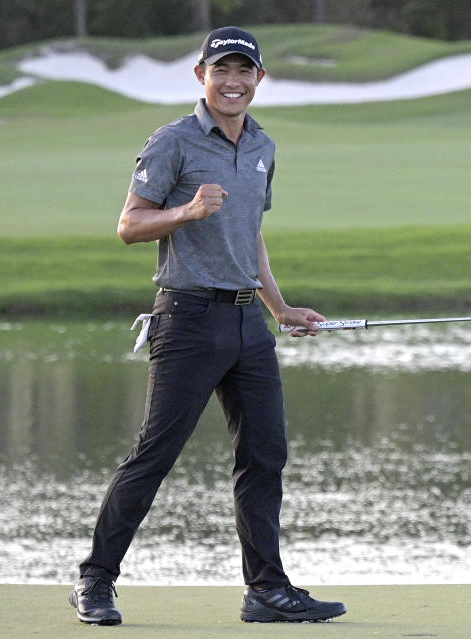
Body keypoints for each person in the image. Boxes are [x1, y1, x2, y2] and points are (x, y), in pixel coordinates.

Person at [68, 26, 347, 626]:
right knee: (155, 455)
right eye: (222, 70)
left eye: (244, 72)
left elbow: (251, 237)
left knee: (265, 456)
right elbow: (129, 225)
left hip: (249, 324)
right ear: (202, 76)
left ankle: (266, 590)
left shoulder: (264, 146)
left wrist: (279, 307)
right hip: (188, 319)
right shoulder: (172, 142)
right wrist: (187, 211)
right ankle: (94, 581)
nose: (233, 82)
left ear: (259, 80)